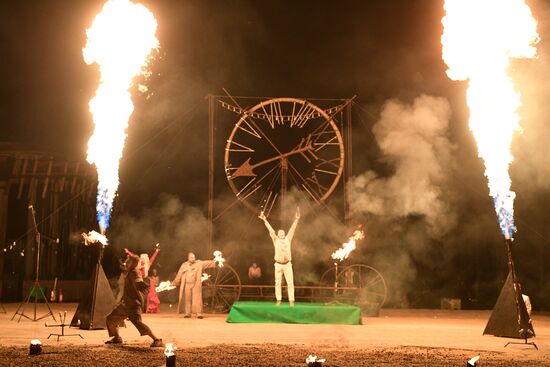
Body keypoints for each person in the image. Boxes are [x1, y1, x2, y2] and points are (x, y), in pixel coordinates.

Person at [105, 252, 163, 347]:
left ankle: (157, 340)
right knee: (111, 319)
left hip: (133, 305)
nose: (126, 263)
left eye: (128, 262)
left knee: (138, 323)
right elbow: (126, 269)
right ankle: (117, 338)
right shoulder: (130, 271)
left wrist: (141, 285)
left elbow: (137, 280)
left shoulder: (134, 272)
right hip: (126, 304)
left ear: (133, 264)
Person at [259, 207, 300, 306]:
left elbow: (292, 229)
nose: (281, 234)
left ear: (284, 234)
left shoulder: (288, 239)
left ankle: (291, 300)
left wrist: (296, 219)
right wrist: (265, 219)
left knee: (290, 283)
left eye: (283, 233)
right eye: (280, 233)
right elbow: (271, 230)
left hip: (287, 264)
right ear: (278, 235)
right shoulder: (275, 240)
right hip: (278, 264)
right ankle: (279, 300)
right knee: (277, 283)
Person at [170, 252, 217, 318]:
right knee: (187, 299)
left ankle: (199, 314)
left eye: (194, 257)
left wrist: (216, 262)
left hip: (196, 284)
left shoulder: (199, 263)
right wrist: (175, 282)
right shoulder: (184, 265)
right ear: (188, 258)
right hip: (187, 284)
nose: (193, 259)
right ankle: (188, 313)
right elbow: (179, 274)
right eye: (191, 257)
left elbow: (208, 263)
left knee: (197, 299)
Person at [124, 246, 161, 313]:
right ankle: (138, 309)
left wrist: (156, 251)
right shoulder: (137, 264)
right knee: (138, 295)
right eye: (142, 259)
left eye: (144, 259)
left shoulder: (148, 264)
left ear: (146, 259)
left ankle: (148, 309)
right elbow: (134, 257)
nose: (143, 260)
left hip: (146, 280)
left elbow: (153, 258)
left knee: (150, 296)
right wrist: (128, 252)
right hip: (139, 280)